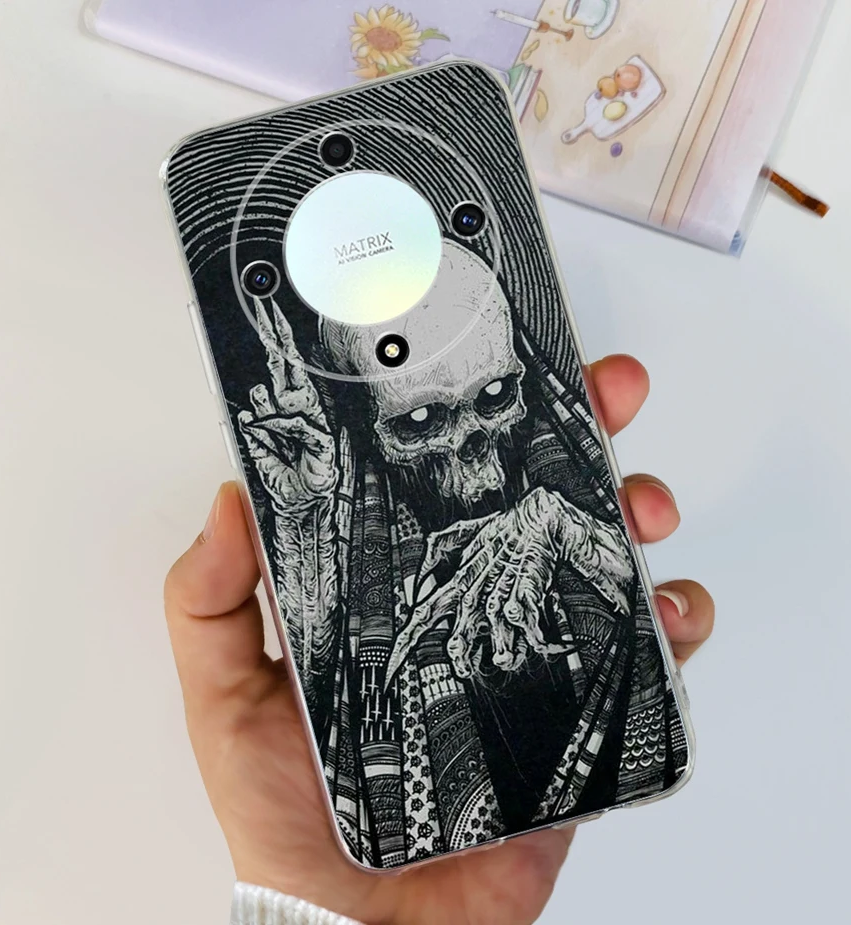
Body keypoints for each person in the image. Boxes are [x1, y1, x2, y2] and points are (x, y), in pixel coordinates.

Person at [165, 355, 715, 925]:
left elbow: (623, 617)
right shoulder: (366, 578)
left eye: (497, 393)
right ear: (368, 439)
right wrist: (301, 518)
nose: (473, 449)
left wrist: (573, 533)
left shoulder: (554, 521)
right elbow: (326, 685)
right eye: (420, 420)